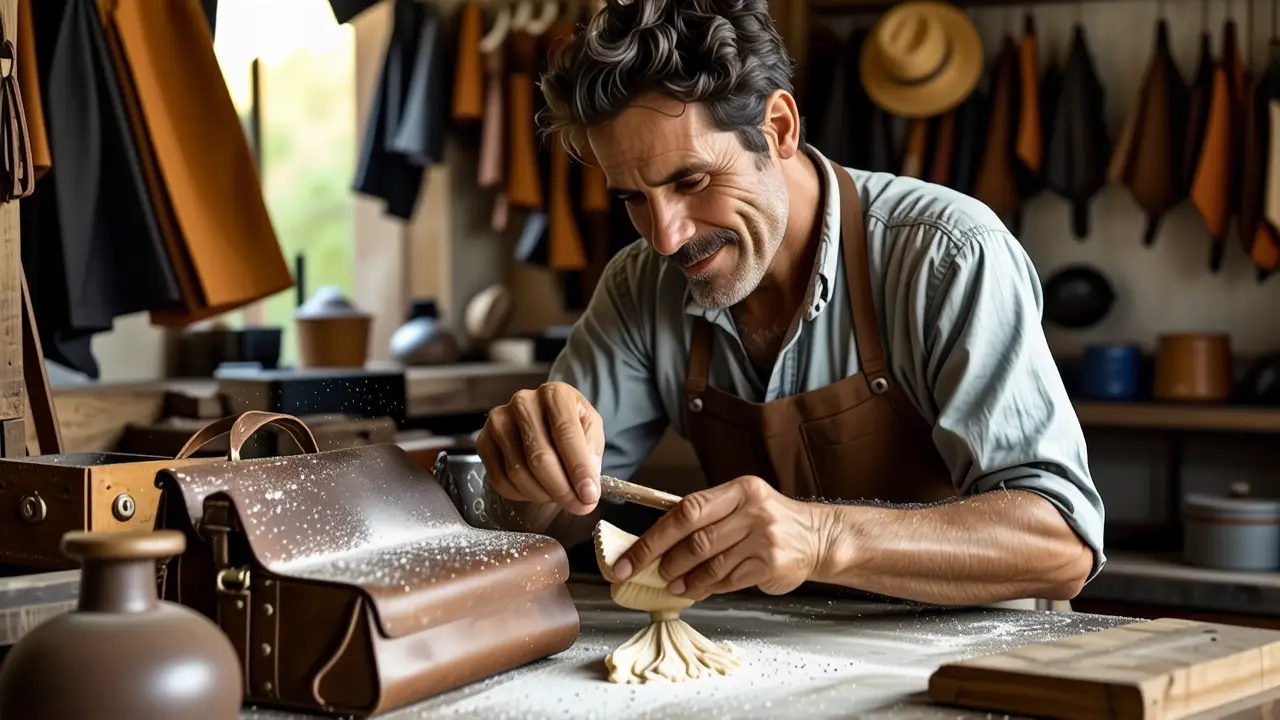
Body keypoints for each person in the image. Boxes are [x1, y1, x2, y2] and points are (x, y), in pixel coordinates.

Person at [475, 0, 1104, 608]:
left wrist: (824, 538)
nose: (666, 235)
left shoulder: (950, 255)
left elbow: (1060, 543)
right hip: (776, 662)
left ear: (778, 128)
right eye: (633, 199)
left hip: (969, 667)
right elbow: (544, 525)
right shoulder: (641, 285)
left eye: (691, 180)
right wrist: (526, 469)